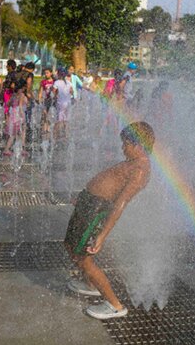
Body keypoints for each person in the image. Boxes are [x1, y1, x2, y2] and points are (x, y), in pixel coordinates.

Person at [65, 122, 155, 320]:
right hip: (89, 204)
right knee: (70, 246)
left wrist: (102, 236)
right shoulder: (134, 163)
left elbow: (120, 203)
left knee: (83, 258)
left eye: (126, 144)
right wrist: (85, 197)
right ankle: (90, 284)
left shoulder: (140, 170)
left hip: (96, 211)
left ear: (138, 145)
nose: (123, 148)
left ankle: (114, 305)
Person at [2, 78, 27, 156]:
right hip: (18, 115)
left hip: (12, 114)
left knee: (16, 133)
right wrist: (23, 117)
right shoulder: (22, 95)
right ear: (23, 87)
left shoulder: (13, 95)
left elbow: (8, 104)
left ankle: (19, 149)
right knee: (18, 133)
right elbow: (20, 106)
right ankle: (7, 149)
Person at [53, 67, 73, 141]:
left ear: (58, 74)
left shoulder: (57, 82)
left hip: (60, 103)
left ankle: (56, 136)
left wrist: (55, 97)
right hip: (68, 102)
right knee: (66, 120)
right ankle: (66, 135)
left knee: (59, 120)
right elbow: (72, 92)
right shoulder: (69, 82)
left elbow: (54, 92)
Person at [38, 67, 55, 136]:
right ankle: (44, 130)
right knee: (45, 114)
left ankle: (49, 129)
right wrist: (39, 99)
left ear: (51, 73)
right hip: (45, 100)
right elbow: (41, 91)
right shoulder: (43, 82)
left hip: (52, 101)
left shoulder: (54, 82)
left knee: (51, 115)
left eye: (47, 73)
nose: (46, 74)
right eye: (45, 73)